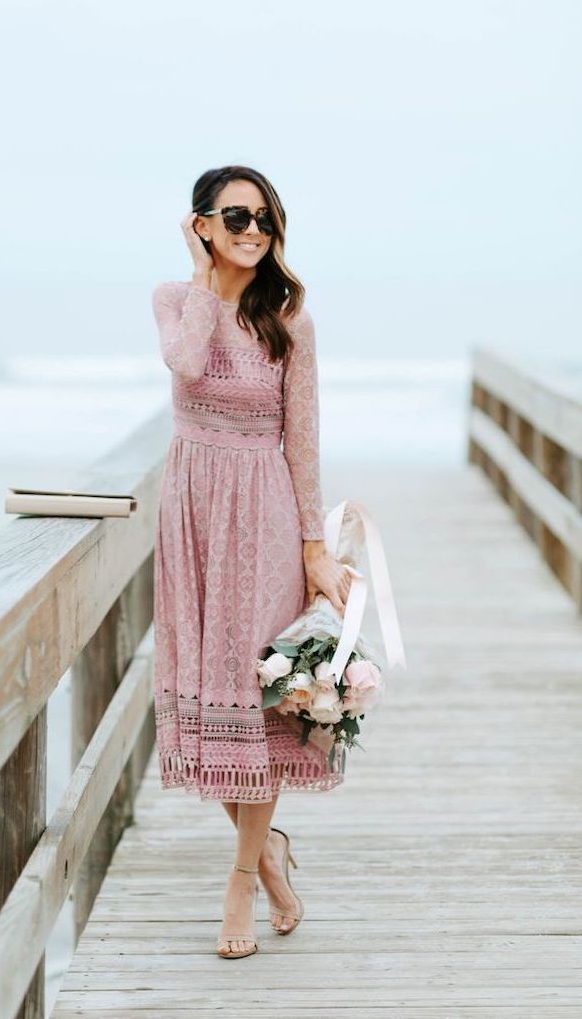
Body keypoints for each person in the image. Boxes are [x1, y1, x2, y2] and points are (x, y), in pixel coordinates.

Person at [152, 165, 352, 959]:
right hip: (192, 512)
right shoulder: (177, 301)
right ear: (201, 223)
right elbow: (187, 366)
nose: (252, 231)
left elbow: (301, 439)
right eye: (235, 216)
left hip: (263, 510)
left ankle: (238, 881)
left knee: (258, 690)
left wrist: (313, 548)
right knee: (208, 687)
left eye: (264, 220)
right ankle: (267, 851)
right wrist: (206, 280)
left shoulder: (290, 317)